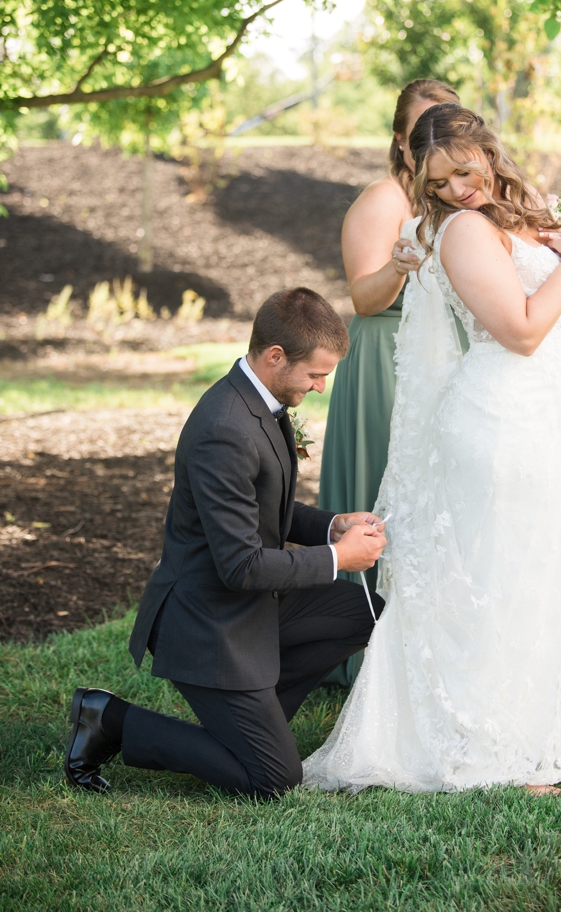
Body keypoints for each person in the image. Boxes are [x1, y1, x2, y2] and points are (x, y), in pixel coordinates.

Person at [301, 105, 561, 795]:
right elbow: (523, 331)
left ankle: (528, 741)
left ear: (489, 154)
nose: (456, 191)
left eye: (464, 173)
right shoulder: (466, 232)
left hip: (537, 419)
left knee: (528, 577)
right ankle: (489, 748)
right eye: (438, 183)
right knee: (501, 583)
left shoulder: (504, 216)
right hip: (499, 424)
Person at [63, 288, 388, 798]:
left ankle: (256, 720)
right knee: (275, 780)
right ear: (275, 356)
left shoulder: (262, 401)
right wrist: (337, 559)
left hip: (253, 605)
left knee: (363, 611)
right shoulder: (225, 428)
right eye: (315, 374)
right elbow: (241, 565)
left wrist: (332, 528)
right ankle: (110, 719)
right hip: (208, 623)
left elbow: (266, 513)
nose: (321, 387)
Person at [319, 78, 459, 686]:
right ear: (402, 143)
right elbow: (363, 298)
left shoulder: (455, 202)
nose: (433, 142)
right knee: (383, 498)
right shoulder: (384, 201)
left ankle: (427, 645)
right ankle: (362, 652)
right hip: (386, 361)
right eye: (422, 131)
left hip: (439, 362)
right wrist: (399, 267)